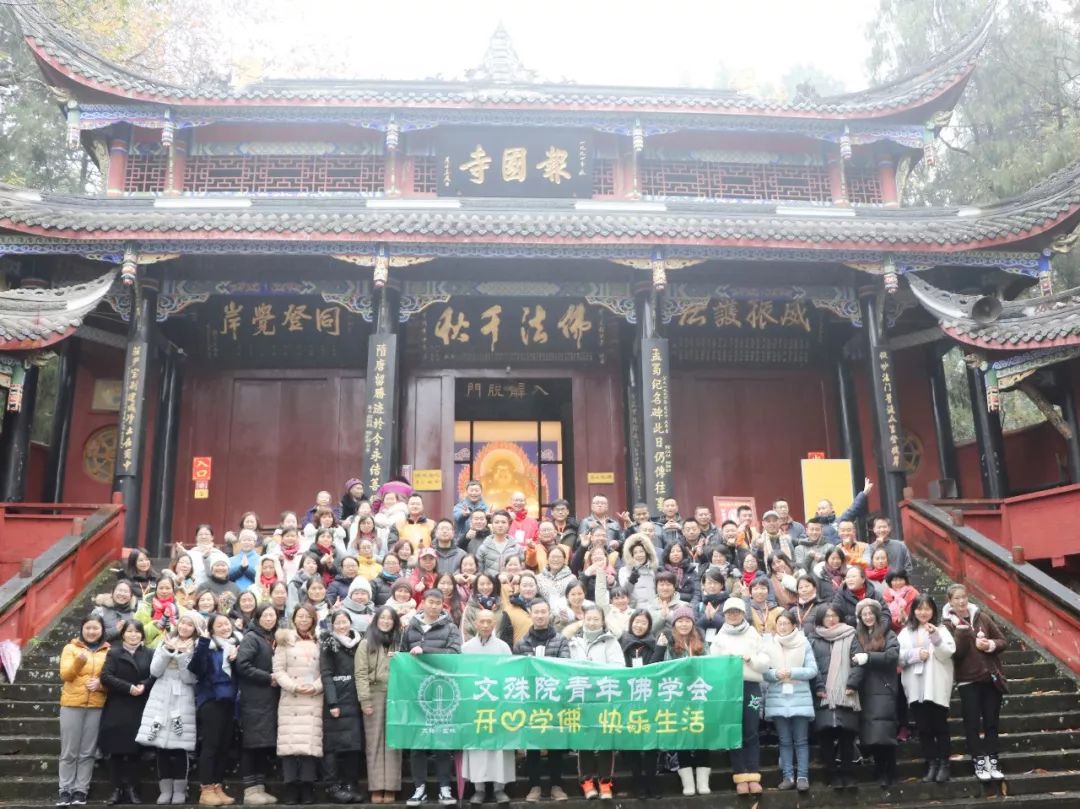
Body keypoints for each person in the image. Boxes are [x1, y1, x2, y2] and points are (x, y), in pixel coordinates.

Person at [401, 590, 463, 807]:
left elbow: (454, 654)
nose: (434, 606)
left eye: (438, 603)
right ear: (423, 603)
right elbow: (403, 656)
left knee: (442, 740)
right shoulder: (410, 627)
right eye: (431, 602)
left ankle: (445, 788)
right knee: (416, 741)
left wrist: (425, 649)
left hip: (442, 690)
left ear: (442, 605)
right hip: (415, 691)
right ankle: (419, 788)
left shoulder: (450, 628)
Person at [942, 583, 1008, 782]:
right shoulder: (947, 624)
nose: (961, 601)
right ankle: (978, 760)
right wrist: (962, 631)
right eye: (956, 598)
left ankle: (992, 760)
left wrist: (990, 645)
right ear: (950, 601)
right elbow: (956, 653)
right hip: (967, 680)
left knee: (991, 722)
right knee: (972, 723)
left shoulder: (982, 617)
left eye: (963, 596)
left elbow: (1002, 641)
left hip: (990, 678)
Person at [709, 598, 769, 795]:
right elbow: (713, 665)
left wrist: (751, 660)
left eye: (736, 612)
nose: (733, 615)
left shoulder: (753, 634)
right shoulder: (719, 637)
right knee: (734, 730)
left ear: (743, 613)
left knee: (751, 730)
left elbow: (765, 662)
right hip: (729, 688)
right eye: (729, 612)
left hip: (750, 685)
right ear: (724, 615)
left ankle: (753, 773)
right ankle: (740, 774)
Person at [514, 598, 570, 802]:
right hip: (531, 701)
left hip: (554, 700)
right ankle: (534, 786)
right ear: (530, 614)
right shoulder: (521, 643)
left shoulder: (560, 640)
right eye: (536, 612)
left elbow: (564, 667)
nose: (539, 615)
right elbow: (517, 672)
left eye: (543, 612)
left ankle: (557, 786)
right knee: (533, 745)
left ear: (549, 614)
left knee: (555, 744)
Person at [898, 594, 956, 784]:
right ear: (913, 611)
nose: (923, 612)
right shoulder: (905, 632)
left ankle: (944, 764)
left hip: (936, 684)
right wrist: (915, 654)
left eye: (927, 609)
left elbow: (948, 653)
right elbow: (897, 656)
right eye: (919, 608)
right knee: (923, 728)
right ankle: (931, 763)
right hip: (915, 685)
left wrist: (936, 638)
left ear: (933, 611)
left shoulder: (941, 629)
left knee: (940, 726)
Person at [568, 606, 623, 799]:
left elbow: (619, 667)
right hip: (581, 698)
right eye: (589, 619)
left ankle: (605, 783)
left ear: (602, 621)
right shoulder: (574, 641)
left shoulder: (610, 641)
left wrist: (595, 674)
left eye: (596, 619)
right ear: (583, 620)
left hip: (604, 697)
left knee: (606, 740)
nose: (592, 622)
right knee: (584, 740)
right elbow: (567, 667)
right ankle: (587, 781)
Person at [461, 609, 515, 805]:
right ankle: (479, 789)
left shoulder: (503, 647)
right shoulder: (466, 648)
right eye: (482, 621)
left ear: (494, 624)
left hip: (498, 704)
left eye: (489, 622)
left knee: (499, 747)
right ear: (476, 624)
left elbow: (511, 675)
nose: (485, 625)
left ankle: (500, 789)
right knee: (477, 747)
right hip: (475, 705)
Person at [274, 604, 325, 805]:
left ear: (313, 619)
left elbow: (326, 670)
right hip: (291, 698)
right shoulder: (284, 641)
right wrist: (293, 686)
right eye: (300, 616)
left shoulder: (320, 641)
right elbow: (278, 671)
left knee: (309, 745)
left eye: (307, 617)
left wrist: (316, 686)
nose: (304, 620)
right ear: (294, 618)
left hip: (313, 697)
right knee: (289, 744)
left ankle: (307, 787)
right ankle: (290, 788)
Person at [763, 609, 818, 793]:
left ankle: (803, 776)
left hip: (799, 697)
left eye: (786, 623)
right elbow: (764, 672)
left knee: (801, 740)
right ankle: (788, 776)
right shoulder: (769, 644)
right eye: (780, 623)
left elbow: (812, 670)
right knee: (784, 741)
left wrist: (793, 672)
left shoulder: (803, 643)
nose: (783, 627)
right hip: (778, 697)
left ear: (794, 625)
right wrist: (775, 674)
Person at [58, 615, 110, 807]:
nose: (91, 631)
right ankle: (65, 789)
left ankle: (81, 790)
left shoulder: (108, 651)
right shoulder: (70, 648)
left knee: (88, 752)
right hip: (72, 704)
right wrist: (79, 662)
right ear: (82, 629)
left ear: (102, 630)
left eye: (95, 628)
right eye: (88, 628)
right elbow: (65, 675)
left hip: (96, 705)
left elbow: (112, 679)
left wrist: (101, 685)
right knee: (69, 751)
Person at [100, 620, 153, 805]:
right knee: (114, 750)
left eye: (137, 632)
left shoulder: (149, 653)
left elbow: (154, 675)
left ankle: (132, 788)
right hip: (117, 705)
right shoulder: (114, 652)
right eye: (129, 631)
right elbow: (105, 676)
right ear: (122, 634)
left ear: (142, 635)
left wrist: (144, 685)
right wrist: (129, 687)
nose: (133, 635)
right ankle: (116, 789)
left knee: (135, 751)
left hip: (140, 705)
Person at [188, 613, 239, 806]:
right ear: (211, 629)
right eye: (220, 625)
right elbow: (196, 669)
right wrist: (203, 642)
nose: (225, 628)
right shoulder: (206, 646)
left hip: (229, 700)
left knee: (224, 746)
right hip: (210, 700)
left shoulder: (234, 646)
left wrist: (236, 658)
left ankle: (218, 786)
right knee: (211, 745)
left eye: (227, 624)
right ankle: (206, 789)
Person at [663, 605, 713, 796]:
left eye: (687, 621)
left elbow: (710, 665)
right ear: (674, 624)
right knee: (682, 737)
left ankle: (702, 782)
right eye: (680, 621)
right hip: (679, 696)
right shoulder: (670, 643)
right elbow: (667, 668)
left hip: (700, 695)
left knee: (702, 737)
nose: (684, 624)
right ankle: (688, 783)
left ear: (692, 623)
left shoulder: (701, 642)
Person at [850, 599, 900, 788]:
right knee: (871, 732)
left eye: (871, 613)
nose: (868, 617)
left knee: (883, 731)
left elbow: (892, 656)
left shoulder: (888, 634)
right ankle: (880, 768)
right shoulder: (858, 635)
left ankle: (888, 771)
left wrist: (869, 657)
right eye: (864, 614)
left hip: (883, 688)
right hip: (865, 689)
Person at [809, 605, 861, 790]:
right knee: (825, 736)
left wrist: (852, 684)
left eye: (834, 615)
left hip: (847, 693)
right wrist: (818, 686)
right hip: (822, 694)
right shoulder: (813, 639)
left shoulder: (851, 635)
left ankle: (848, 773)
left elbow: (859, 661)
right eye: (827, 616)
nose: (831, 619)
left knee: (847, 735)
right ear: (820, 619)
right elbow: (810, 664)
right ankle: (832, 774)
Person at [356, 606, 403, 805]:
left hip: (396, 695)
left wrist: (400, 658)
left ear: (395, 622)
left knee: (393, 742)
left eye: (390, 618)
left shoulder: (399, 643)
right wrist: (364, 700)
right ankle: (376, 786)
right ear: (376, 620)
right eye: (382, 618)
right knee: (374, 742)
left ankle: (391, 786)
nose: (386, 621)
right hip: (373, 693)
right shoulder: (366, 643)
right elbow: (360, 674)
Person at [235, 604, 281, 806]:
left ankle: (260, 788)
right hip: (254, 699)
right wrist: (268, 677)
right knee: (251, 745)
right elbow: (243, 665)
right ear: (258, 617)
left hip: (268, 700)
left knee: (262, 744)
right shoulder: (252, 637)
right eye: (265, 615)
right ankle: (249, 790)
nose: (269, 618)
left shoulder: (271, 638)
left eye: (272, 615)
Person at [320, 611, 367, 804]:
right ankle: (332, 786)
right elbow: (326, 674)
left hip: (355, 699)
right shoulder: (328, 643)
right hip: (337, 701)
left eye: (344, 621)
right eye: (337, 622)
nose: (341, 625)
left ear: (350, 622)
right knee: (332, 746)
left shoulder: (359, 642)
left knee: (353, 746)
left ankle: (350, 784)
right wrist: (332, 702)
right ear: (332, 625)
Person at [619, 610, 661, 798]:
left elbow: (654, 669)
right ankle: (638, 784)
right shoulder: (622, 643)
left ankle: (652, 783)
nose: (639, 626)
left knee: (652, 744)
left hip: (650, 699)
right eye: (636, 622)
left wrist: (660, 649)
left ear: (649, 626)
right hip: (628, 699)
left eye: (643, 623)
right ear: (631, 623)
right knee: (632, 744)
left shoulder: (655, 644)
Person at [813, 478, 873, 544]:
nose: (821, 511)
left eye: (823, 508)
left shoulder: (840, 521)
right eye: (819, 509)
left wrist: (864, 493)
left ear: (831, 509)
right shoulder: (815, 527)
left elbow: (853, 509)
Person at [476, 511, 523, 578]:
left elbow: (522, 571)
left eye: (503, 522)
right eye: (496, 522)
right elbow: (478, 573)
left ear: (509, 525)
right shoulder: (483, 548)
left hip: (510, 583)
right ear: (492, 524)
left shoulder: (516, 548)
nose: (500, 525)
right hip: (490, 583)